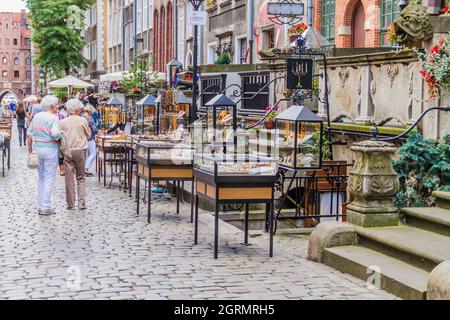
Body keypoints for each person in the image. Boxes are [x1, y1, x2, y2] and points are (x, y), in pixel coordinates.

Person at [27, 95, 61, 215]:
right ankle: (45, 206)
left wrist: (30, 149)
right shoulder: (53, 118)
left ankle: (40, 205)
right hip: (50, 149)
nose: (58, 107)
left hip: (38, 148)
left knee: (41, 177)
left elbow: (29, 132)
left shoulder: (36, 116)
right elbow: (55, 134)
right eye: (57, 105)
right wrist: (61, 133)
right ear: (52, 106)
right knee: (49, 177)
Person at [60, 99, 91, 211]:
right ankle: (81, 202)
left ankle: (70, 204)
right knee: (81, 177)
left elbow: (60, 138)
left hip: (68, 151)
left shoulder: (62, 122)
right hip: (80, 150)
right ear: (77, 109)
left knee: (69, 179)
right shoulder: (83, 120)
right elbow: (88, 135)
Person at [82, 104, 98, 176]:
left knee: (88, 154)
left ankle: (85, 169)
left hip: (83, 137)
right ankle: (85, 168)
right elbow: (93, 128)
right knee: (93, 153)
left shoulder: (82, 116)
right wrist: (98, 130)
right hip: (90, 137)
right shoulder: (89, 117)